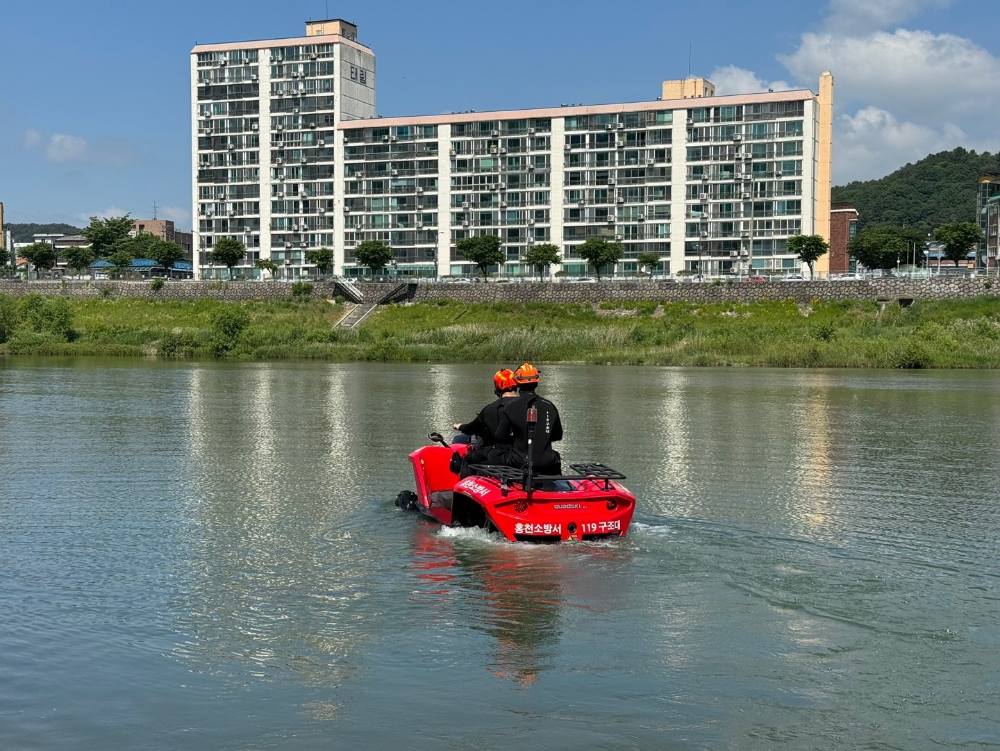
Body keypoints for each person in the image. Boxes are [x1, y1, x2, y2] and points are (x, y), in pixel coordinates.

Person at [494, 363, 563, 476]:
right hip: (548, 462)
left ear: (517, 383)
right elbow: (557, 435)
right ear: (537, 382)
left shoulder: (510, 407)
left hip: (519, 462)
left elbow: (500, 437)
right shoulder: (549, 406)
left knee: (489, 456)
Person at [453, 369, 518, 477]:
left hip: (500, 455)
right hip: (521, 455)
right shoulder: (527, 406)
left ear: (497, 388)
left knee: (467, 460)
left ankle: (461, 492)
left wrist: (459, 426)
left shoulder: (491, 409)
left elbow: (471, 428)